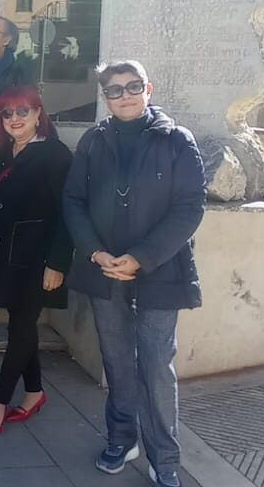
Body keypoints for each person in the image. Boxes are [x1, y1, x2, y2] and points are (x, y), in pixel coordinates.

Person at [62, 61, 205, 487]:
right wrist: (95, 252)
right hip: (105, 268)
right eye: (115, 89)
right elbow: (74, 199)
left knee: (157, 363)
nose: (125, 95)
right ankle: (122, 438)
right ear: (105, 96)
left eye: (133, 87)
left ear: (148, 88)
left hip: (161, 269)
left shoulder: (177, 141)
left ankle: (165, 457)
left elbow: (190, 207)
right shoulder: (94, 140)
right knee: (118, 359)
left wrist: (141, 257)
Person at [0, 86, 73, 440]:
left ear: (38, 114)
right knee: (21, 325)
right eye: (8, 113)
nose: (15, 119)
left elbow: (68, 214)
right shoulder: (5, 153)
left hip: (38, 259)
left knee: (20, 328)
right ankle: (34, 393)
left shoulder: (55, 154)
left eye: (22, 112)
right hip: (7, 257)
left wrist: (57, 263)